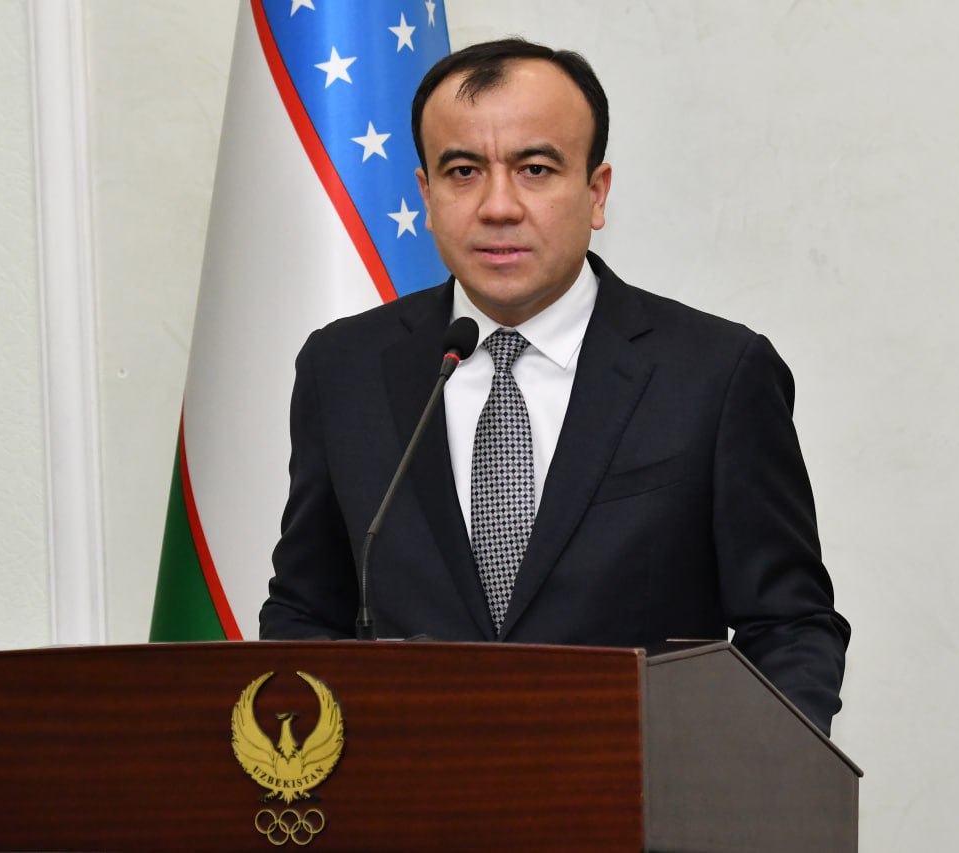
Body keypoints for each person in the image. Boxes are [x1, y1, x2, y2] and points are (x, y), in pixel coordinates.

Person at [260, 39, 849, 735]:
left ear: (596, 192)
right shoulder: (343, 369)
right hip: (409, 782)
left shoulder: (717, 374)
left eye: (535, 169)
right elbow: (305, 610)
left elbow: (788, 626)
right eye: (463, 171)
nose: (498, 206)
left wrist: (750, 777)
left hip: (640, 788)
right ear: (426, 195)